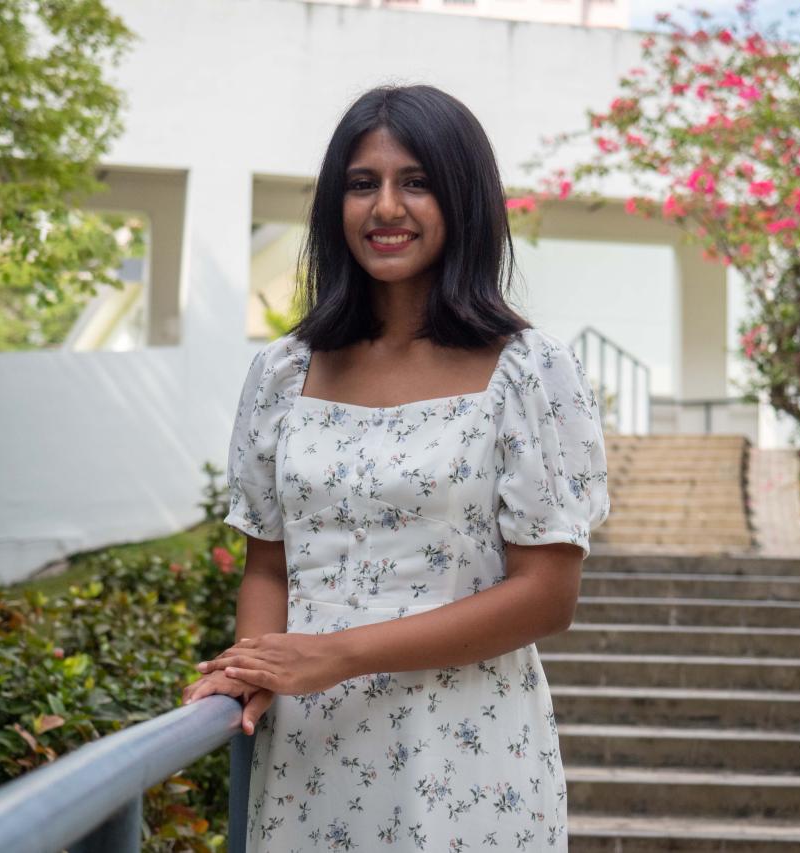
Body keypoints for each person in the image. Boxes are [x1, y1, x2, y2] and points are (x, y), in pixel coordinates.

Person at [181, 83, 609, 851]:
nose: (385, 206)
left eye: (415, 181)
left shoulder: (528, 372)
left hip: (469, 758)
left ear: (464, 199)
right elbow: (268, 568)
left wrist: (335, 654)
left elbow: (547, 595)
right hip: (309, 754)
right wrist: (252, 667)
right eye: (361, 183)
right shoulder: (284, 372)